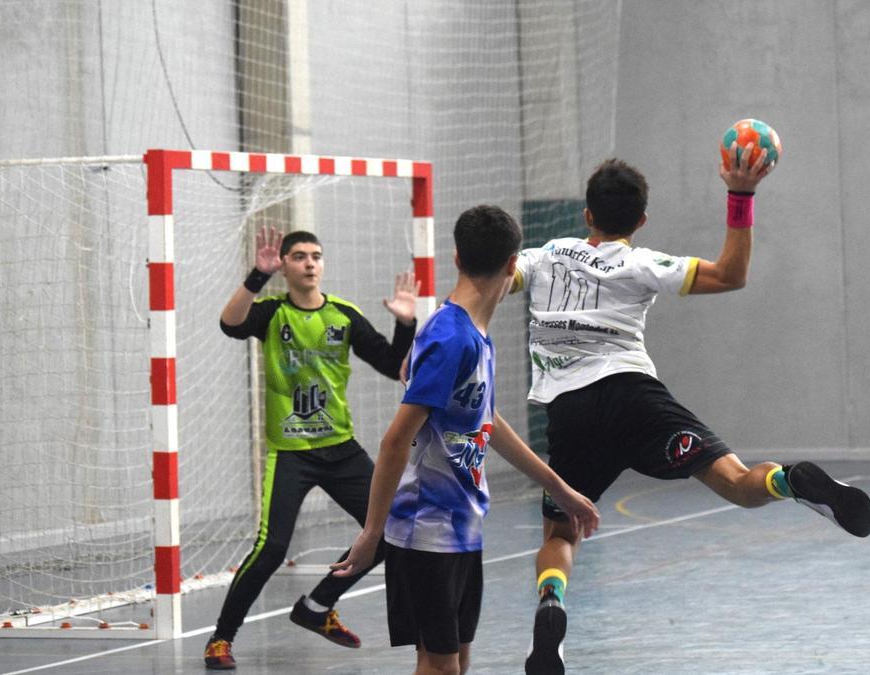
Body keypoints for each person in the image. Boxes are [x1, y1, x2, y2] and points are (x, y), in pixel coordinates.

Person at [511, 149, 870, 674]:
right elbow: (731, 274)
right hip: (636, 397)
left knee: (561, 534)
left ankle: (551, 603)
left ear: (586, 214)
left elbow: (498, 276)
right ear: (640, 221)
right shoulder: (640, 262)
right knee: (737, 484)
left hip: (570, 412)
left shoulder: (544, 256)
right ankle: (792, 483)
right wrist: (741, 195)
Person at [330, 205, 601, 675]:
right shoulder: (450, 337)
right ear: (514, 265)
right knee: (442, 665)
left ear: (456, 257)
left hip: (462, 527)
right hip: (424, 529)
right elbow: (396, 440)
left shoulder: (476, 336)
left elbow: (486, 420)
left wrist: (559, 488)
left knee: (456, 658)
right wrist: (373, 533)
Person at [203, 226, 419, 670]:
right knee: (270, 549)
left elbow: (393, 366)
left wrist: (405, 323)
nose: (309, 263)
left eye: (316, 256)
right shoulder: (271, 314)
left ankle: (317, 605)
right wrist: (256, 276)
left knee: (390, 528)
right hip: (291, 453)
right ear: (284, 265)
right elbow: (229, 323)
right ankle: (221, 639)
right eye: (299, 256)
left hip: (339, 447)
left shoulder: (343, 316)